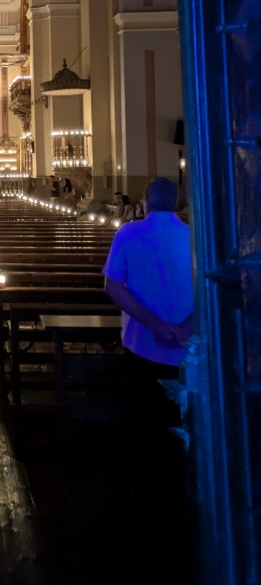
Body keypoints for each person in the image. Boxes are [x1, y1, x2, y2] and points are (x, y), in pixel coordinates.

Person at [103, 177, 194, 463]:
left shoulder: (128, 234)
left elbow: (112, 286)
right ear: (177, 204)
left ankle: (147, 477)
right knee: (183, 420)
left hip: (141, 345)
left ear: (144, 202)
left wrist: (155, 325)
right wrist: (183, 329)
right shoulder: (195, 236)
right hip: (186, 349)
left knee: (145, 418)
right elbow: (210, 290)